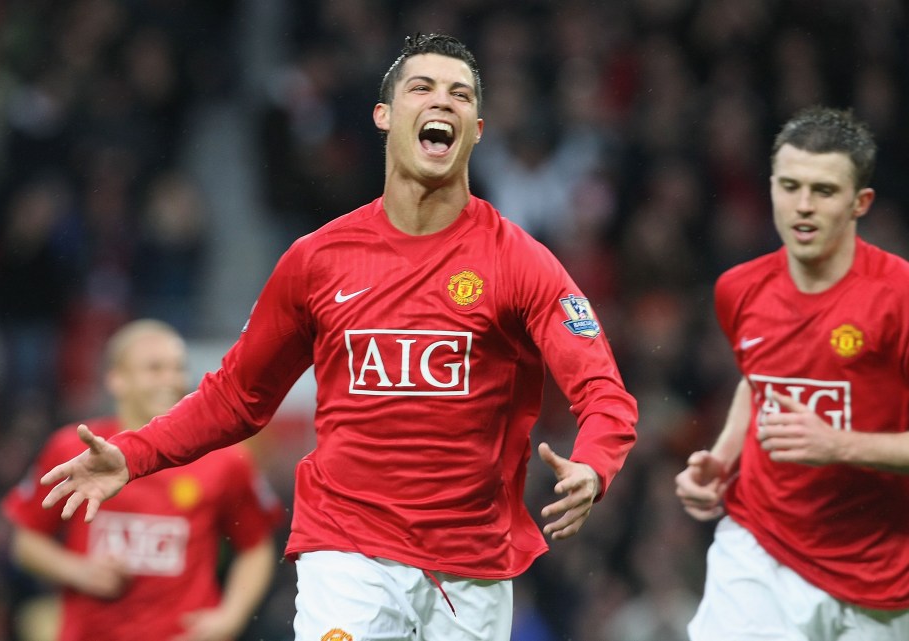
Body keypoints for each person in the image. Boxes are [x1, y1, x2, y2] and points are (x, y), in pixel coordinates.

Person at [38, 34, 639, 641]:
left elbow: (604, 394)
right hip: (347, 550)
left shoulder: (522, 262)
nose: (443, 102)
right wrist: (137, 452)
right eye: (422, 88)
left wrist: (592, 466)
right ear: (384, 116)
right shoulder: (317, 261)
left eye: (460, 95)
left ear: (477, 128)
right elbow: (236, 398)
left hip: (471, 563)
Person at [674, 106, 909, 641]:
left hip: (875, 573)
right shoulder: (738, 289)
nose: (802, 206)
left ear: (860, 202)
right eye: (790, 186)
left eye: (823, 191)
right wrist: (725, 457)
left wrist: (841, 445)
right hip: (759, 548)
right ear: (771, 186)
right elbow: (759, 379)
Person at [3, 319, 283, 641]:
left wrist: (230, 617)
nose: (171, 380)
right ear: (116, 379)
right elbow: (26, 543)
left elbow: (257, 547)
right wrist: (79, 570)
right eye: (155, 368)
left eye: (178, 368)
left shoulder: (225, 459)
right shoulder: (72, 449)